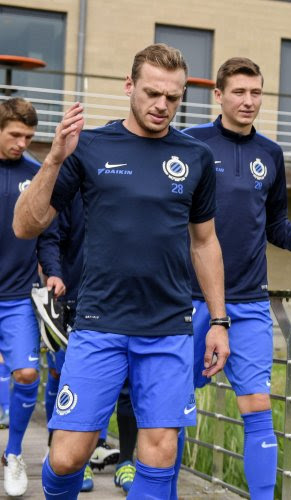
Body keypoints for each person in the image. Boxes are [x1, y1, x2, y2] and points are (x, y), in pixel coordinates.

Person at [13, 43, 230, 499]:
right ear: (129, 86)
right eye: (153, 93)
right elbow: (26, 224)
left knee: (160, 451)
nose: (162, 105)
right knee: (67, 456)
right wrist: (53, 158)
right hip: (99, 323)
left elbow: (205, 242)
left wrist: (219, 320)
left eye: (173, 98)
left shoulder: (194, 158)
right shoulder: (88, 147)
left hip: (168, 327)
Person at [178, 57, 291, 500]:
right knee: (174, 408)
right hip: (189, 300)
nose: (248, 101)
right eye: (240, 92)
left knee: (258, 409)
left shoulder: (271, 154)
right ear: (219, 95)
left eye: (256, 93)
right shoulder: (191, 144)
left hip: (248, 303)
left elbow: (275, 224)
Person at [36, 190, 138, 493]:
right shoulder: (75, 182)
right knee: (72, 382)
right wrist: (53, 273)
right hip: (80, 300)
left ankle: (127, 461)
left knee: (129, 386)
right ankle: (73, 461)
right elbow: (49, 237)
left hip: (132, 300)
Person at [0, 97, 47, 496]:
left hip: (18, 297)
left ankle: (13, 454)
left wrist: (57, 273)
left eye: (29, 137)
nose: (22, 143)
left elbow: (48, 234)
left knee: (28, 374)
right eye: (15, 135)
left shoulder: (36, 174)